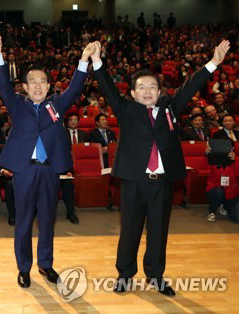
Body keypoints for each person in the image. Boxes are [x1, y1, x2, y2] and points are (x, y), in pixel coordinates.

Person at [90, 39, 230, 296]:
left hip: (162, 182)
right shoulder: (126, 109)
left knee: (158, 231)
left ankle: (155, 275)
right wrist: (97, 60)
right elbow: (109, 88)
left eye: (152, 87)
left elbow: (190, 87)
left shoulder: (170, 107)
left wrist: (213, 63)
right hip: (134, 180)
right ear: (132, 93)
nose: (147, 91)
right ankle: (125, 274)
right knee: (130, 230)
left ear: (159, 91)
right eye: (141, 87)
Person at [0, 35, 93, 288]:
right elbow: (3, 85)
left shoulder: (57, 104)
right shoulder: (16, 104)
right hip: (24, 171)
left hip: (49, 171)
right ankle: (24, 268)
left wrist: (82, 60)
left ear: (49, 86)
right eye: (32, 82)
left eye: (42, 82)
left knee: (47, 220)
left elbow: (76, 88)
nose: (37, 86)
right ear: (24, 87)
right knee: (24, 221)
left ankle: (45, 264)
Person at [205, 141, 238, 223]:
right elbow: (203, 168)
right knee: (217, 192)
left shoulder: (237, 160)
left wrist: (234, 161)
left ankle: (225, 206)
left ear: (233, 148)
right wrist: (207, 155)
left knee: (237, 218)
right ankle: (212, 211)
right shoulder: (212, 158)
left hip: (232, 193)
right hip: (215, 189)